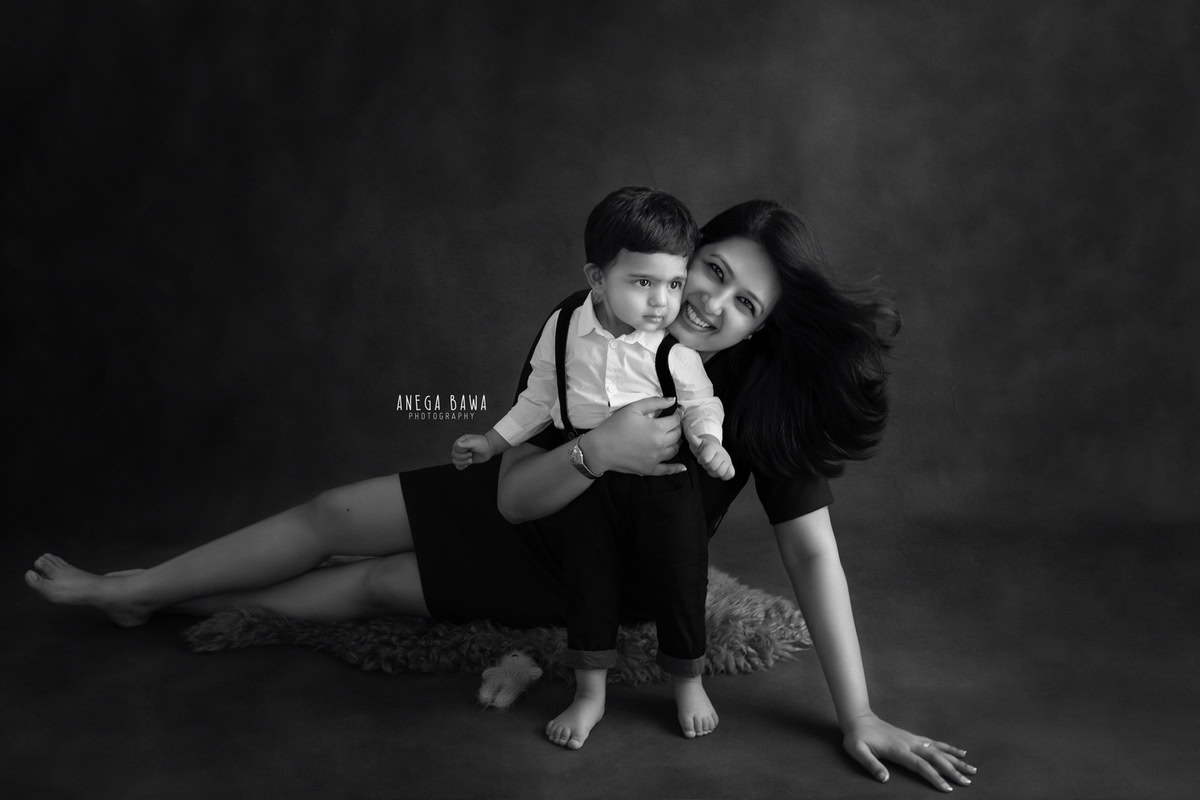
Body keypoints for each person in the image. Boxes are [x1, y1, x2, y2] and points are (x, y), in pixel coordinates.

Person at [24, 199, 977, 791]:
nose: (710, 304)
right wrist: (599, 446)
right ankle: (136, 587)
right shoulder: (591, 317)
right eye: (712, 272)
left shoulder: (760, 404)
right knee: (332, 515)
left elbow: (812, 551)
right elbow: (516, 491)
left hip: (594, 570)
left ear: (761, 329)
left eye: (744, 304)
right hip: (534, 492)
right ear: (684, 254)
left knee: (370, 586)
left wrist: (859, 715)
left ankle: (155, 605)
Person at [452, 187, 734, 748]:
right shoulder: (562, 330)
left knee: (681, 576)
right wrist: (492, 441)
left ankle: (688, 683)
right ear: (598, 278)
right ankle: (589, 694)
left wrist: (708, 442)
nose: (662, 303)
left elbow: (703, 403)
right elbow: (538, 400)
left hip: (662, 484)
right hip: (588, 480)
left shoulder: (673, 352)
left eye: (674, 284)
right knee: (589, 579)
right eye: (643, 282)